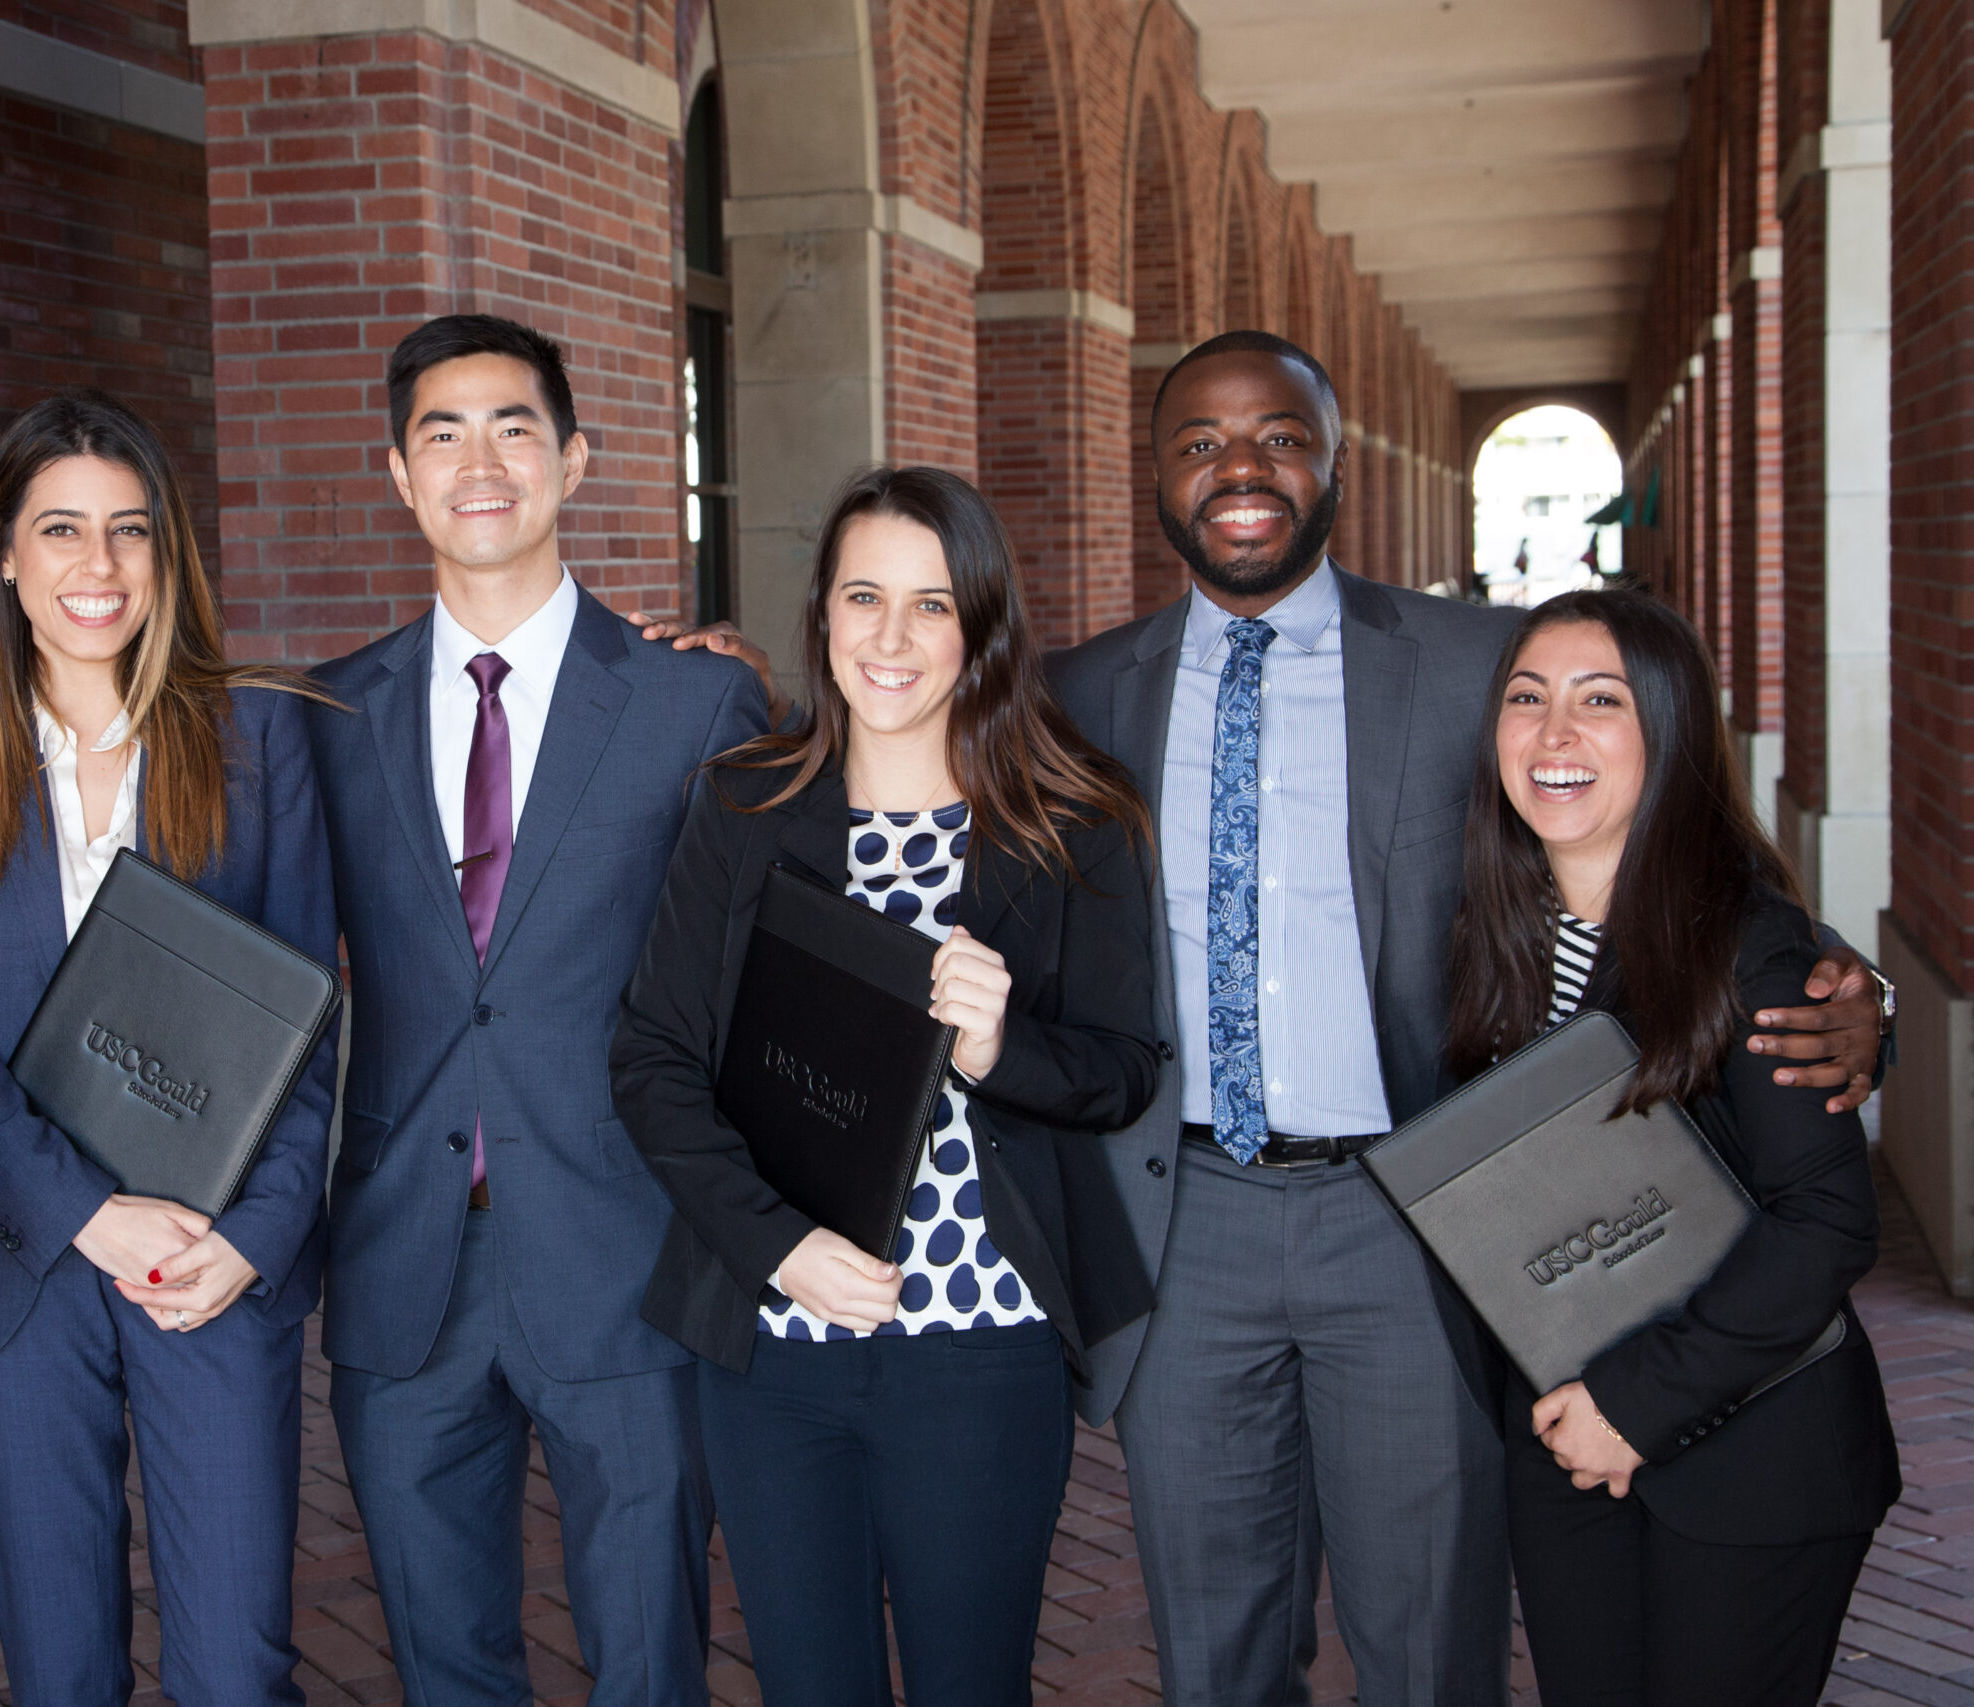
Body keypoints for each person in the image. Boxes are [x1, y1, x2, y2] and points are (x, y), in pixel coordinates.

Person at [1035, 331, 1889, 1704]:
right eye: (1199, 442)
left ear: (1337, 464)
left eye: (1280, 438)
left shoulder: (1478, 660)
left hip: (1416, 1215)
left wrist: (1853, 991)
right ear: (1156, 473)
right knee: (1212, 1647)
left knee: (1431, 1638)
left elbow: (1653, 823)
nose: (1240, 469)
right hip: (1180, 1222)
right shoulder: (1075, 698)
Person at [610, 466, 1165, 1705]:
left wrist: (999, 1048)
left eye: (931, 604)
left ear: (982, 626)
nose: (893, 638)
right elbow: (651, 1061)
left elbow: (1123, 1075)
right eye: (864, 597)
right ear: (821, 615)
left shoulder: (1073, 825)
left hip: (978, 1349)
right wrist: (776, 1248)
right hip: (774, 1342)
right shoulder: (745, 806)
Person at [305, 313, 768, 1707]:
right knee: (444, 1660)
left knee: (648, 1658)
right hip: (406, 1264)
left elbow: (757, 975)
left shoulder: (695, 699)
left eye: (513, 425)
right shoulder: (325, 714)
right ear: (399, 472)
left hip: (630, 1251)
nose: (480, 460)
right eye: (441, 432)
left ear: (573, 457)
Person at [0, 391, 338, 1707]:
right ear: (6, 554)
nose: (99, 565)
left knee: (237, 1664)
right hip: (20, 1264)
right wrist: (84, 1210)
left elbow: (311, 1010)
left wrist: (254, 1230)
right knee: (60, 1660)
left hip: (208, 1259)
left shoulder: (258, 740)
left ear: (166, 554)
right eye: (63, 529)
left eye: (130, 531)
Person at [1446, 588, 1899, 1704]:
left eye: (1599, 701)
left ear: (1669, 729)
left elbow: (1829, 1223)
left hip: (1752, 1459)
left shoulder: (1750, 945)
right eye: (1526, 698)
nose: (1554, 734)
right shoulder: (1481, 936)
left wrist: (1632, 1406)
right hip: (1564, 1446)